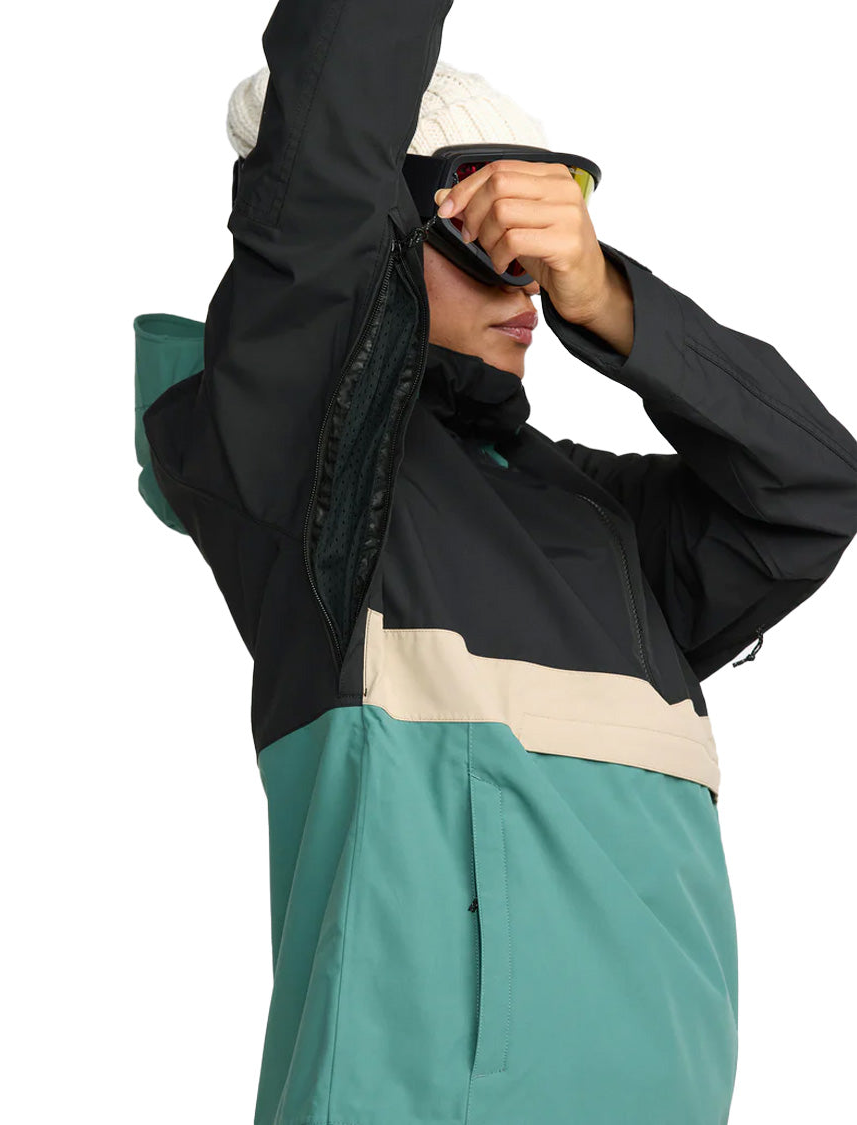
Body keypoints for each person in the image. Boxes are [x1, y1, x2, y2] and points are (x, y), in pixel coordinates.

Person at [137, 2, 857, 1122]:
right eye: (484, 239)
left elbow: (815, 487)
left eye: (542, 249)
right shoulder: (315, 477)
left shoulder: (608, 524)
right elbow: (322, 174)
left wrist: (605, 296)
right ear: (381, 237)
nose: (525, 286)